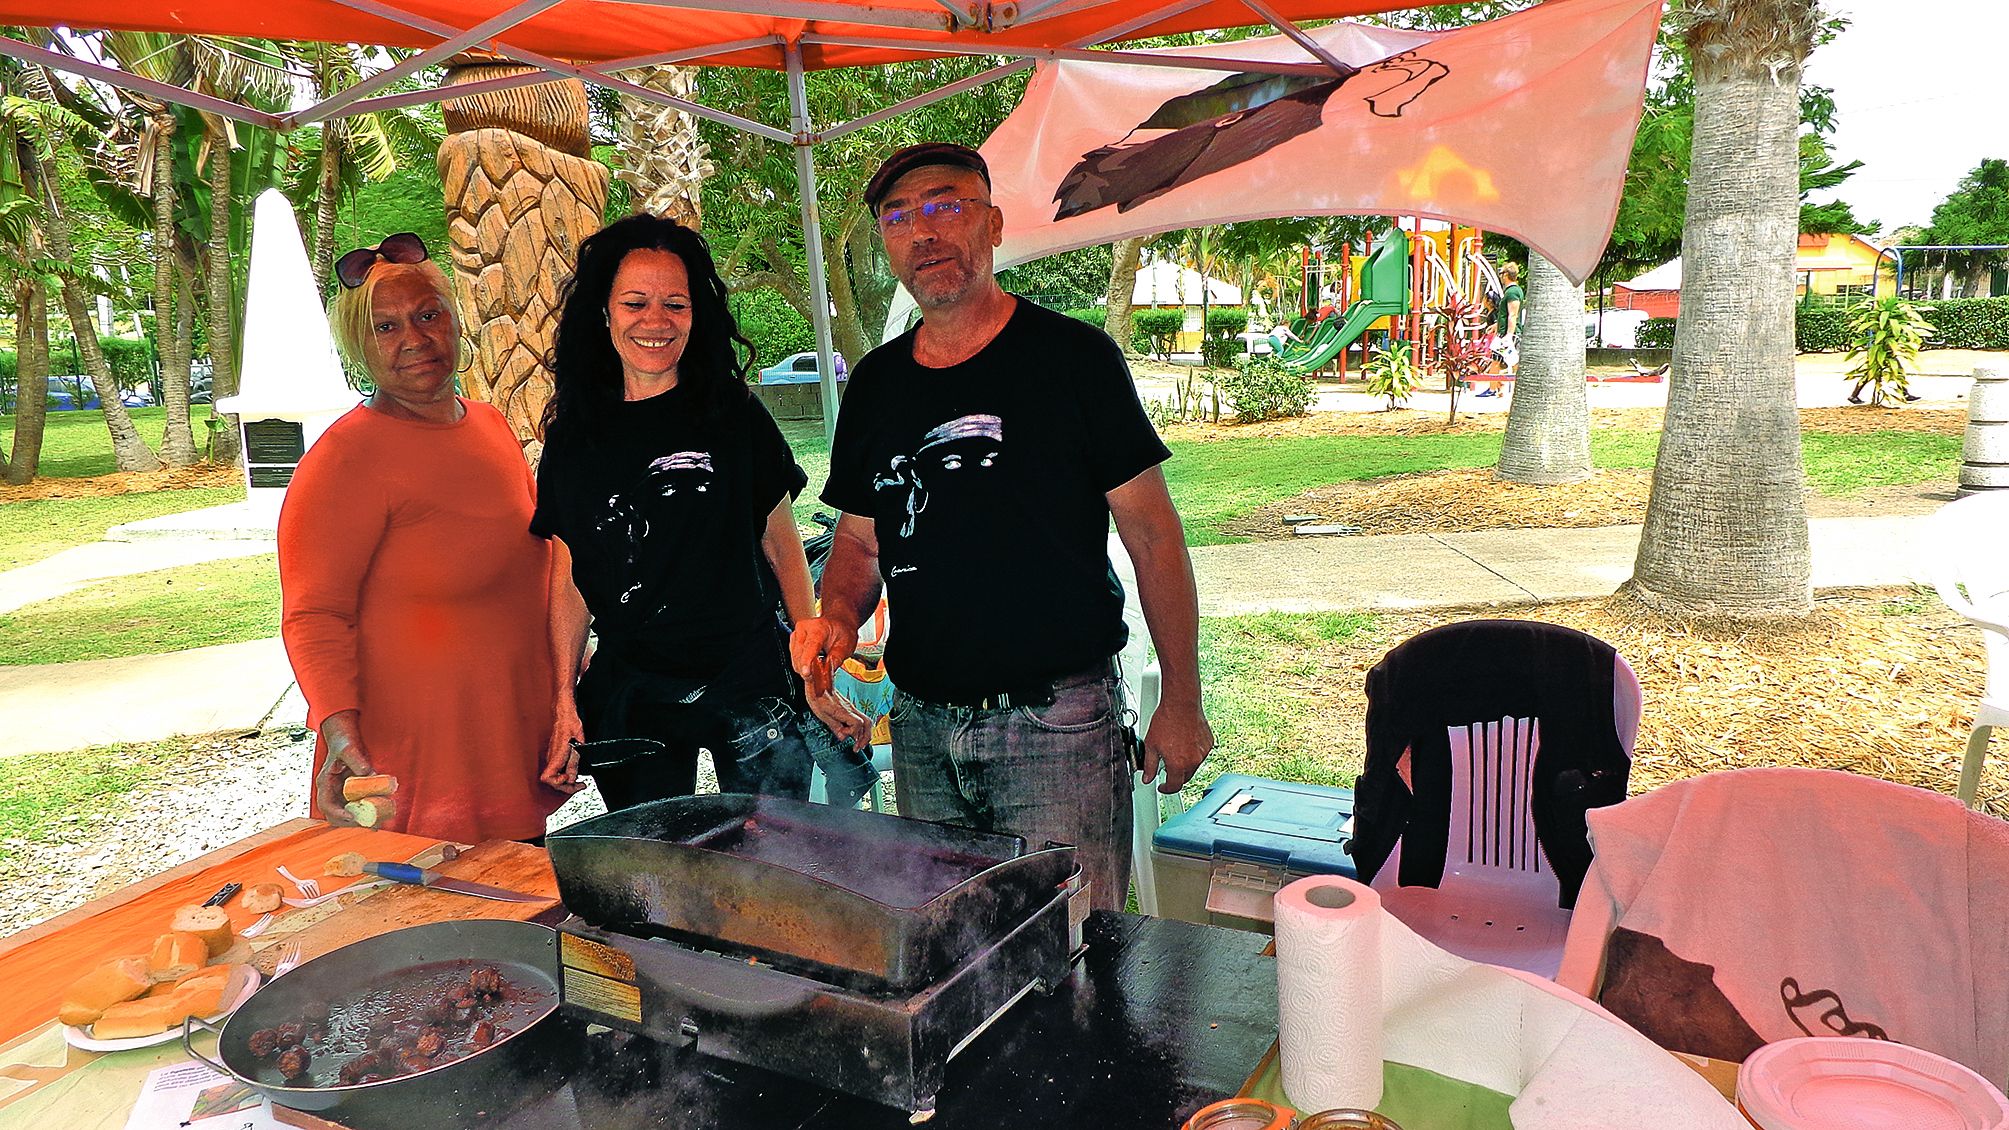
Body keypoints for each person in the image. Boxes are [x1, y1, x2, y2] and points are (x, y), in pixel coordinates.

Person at [790, 142, 1214, 911]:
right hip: (921, 725)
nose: (923, 231)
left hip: (1055, 724)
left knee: (1071, 945)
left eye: (946, 206)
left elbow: (1153, 535)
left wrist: (1181, 699)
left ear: (992, 225)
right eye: (898, 217)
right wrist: (839, 619)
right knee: (946, 941)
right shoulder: (876, 384)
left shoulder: (1073, 359)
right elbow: (857, 537)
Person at [531, 214, 868, 812]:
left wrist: (811, 671)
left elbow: (781, 542)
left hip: (749, 675)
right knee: (653, 855)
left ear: (696, 314)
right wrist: (563, 699)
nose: (656, 321)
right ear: (603, 312)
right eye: (635, 303)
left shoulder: (733, 414)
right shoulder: (576, 437)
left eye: (675, 305)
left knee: (772, 849)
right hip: (634, 685)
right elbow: (570, 573)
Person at [278, 233, 566, 843]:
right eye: (386, 327)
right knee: (424, 901)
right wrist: (339, 734)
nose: (413, 339)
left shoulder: (490, 424)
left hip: (504, 740)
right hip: (410, 761)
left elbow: (538, 562)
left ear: (455, 320)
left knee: (516, 890)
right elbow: (314, 615)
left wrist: (567, 687)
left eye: (428, 315)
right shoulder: (344, 457)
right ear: (359, 345)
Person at [1475, 261, 1522, 398]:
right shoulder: (1510, 292)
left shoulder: (1512, 292)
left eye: (1501, 273)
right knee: (1500, 360)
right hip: (1503, 333)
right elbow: (1506, 315)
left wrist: (1509, 335)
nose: (1500, 276)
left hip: (1506, 335)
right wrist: (1496, 326)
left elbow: (1512, 314)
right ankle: (1495, 387)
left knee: (1510, 361)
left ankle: (1495, 388)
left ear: (1506, 275)